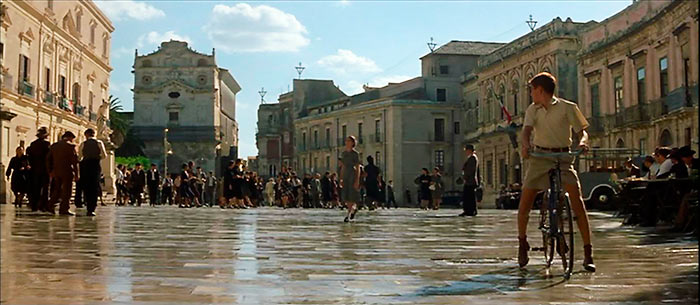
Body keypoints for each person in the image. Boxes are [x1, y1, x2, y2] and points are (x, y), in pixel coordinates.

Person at [518, 72, 595, 272]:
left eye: (532, 90)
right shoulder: (532, 110)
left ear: (540, 90)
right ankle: (522, 242)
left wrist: (583, 142)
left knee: (577, 201)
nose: (531, 94)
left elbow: (582, 131)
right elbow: (526, 131)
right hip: (540, 158)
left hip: (563, 157)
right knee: (525, 201)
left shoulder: (568, 107)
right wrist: (525, 145)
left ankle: (588, 252)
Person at [47, 131, 80, 215]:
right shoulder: (71, 146)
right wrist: (77, 174)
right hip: (67, 171)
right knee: (67, 191)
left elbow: (48, 159)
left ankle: (50, 205)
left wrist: (50, 171)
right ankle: (64, 209)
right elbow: (74, 162)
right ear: (70, 138)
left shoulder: (54, 146)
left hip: (56, 171)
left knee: (57, 190)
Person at [78, 128, 107, 216]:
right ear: (94, 134)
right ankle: (92, 208)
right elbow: (104, 155)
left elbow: (80, 156)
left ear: (86, 135)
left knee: (86, 186)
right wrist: (97, 158)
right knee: (94, 186)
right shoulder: (99, 143)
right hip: (95, 165)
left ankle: (87, 205)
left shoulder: (83, 143)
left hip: (86, 165)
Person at [26, 127, 51, 212]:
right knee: (45, 188)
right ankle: (43, 205)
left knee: (35, 188)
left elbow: (29, 156)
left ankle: (34, 205)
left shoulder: (33, 144)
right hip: (44, 169)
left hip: (34, 169)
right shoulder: (47, 144)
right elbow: (49, 157)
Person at [340, 136, 361, 222]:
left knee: (352, 195)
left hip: (353, 174)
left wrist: (357, 180)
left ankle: (349, 213)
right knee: (346, 195)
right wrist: (341, 178)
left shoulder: (355, 154)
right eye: (346, 140)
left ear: (353, 143)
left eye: (349, 141)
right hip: (346, 175)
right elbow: (343, 166)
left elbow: (358, 166)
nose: (347, 142)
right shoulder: (344, 154)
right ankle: (351, 211)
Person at [460, 144, 479, 216]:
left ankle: (470, 210)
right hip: (469, 180)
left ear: (470, 150)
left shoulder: (473, 158)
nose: (466, 152)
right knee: (469, 196)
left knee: (469, 196)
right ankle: (469, 210)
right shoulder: (471, 158)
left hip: (470, 181)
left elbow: (470, 170)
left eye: (467, 150)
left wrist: (465, 177)